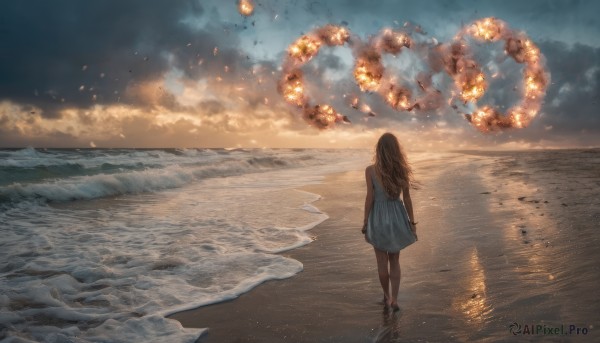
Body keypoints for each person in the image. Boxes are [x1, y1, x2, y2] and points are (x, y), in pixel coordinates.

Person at [362, 132, 417, 311]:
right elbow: (407, 199)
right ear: (396, 151)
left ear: (379, 150)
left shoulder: (370, 170)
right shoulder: (402, 170)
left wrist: (365, 222)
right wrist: (411, 222)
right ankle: (394, 298)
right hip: (397, 216)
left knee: (381, 262)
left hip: (377, 217)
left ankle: (386, 295)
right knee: (395, 260)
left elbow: (369, 198)